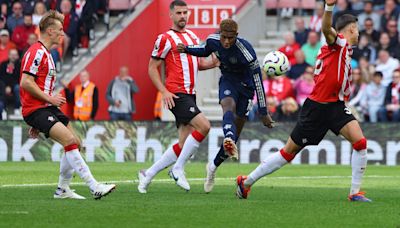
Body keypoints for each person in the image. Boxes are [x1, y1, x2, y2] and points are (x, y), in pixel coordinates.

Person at [236, 1, 372, 202]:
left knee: (360, 142)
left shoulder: (342, 49)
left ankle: (354, 193)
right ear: (351, 29)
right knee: (288, 153)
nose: (359, 33)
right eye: (357, 29)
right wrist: (329, 7)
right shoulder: (338, 42)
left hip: (335, 106)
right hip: (316, 108)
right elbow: (326, 28)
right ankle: (246, 182)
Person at [19, 10, 115, 199]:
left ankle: (62, 189)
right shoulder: (36, 52)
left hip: (45, 107)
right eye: (60, 30)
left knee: (76, 142)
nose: (63, 34)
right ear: (50, 32)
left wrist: (46, 105)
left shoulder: (48, 53)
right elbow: (25, 82)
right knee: (69, 141)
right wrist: (48, 101)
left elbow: (36, 85)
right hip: (38, 108)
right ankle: (94, 186)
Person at [177, 18, 274, 193]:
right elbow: (204, 49)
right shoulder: (214, 41)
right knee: (227, 106)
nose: (227, 41)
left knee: (236, 134)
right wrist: (187, 49)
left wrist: (263, 111)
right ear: (220, 34)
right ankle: (228, 136)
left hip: (246, 88)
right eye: (224, 37)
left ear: (236, 35)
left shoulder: (247, 52)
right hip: (228, 81)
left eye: (231, 38)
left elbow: (258, 80)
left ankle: (212, 167)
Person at [137, 0, 218, 193]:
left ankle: (148, 174)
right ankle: (178, 169)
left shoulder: (192, 36)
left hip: (191, 93)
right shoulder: (165, 38)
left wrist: (213, 63)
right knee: (204, 126)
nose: (183, 16)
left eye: (185, 12)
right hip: (176, 93)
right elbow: (152, 68)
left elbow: (197, 64)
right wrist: (164, 91)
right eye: (179, 13)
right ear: (171, 15)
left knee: (183, 144)